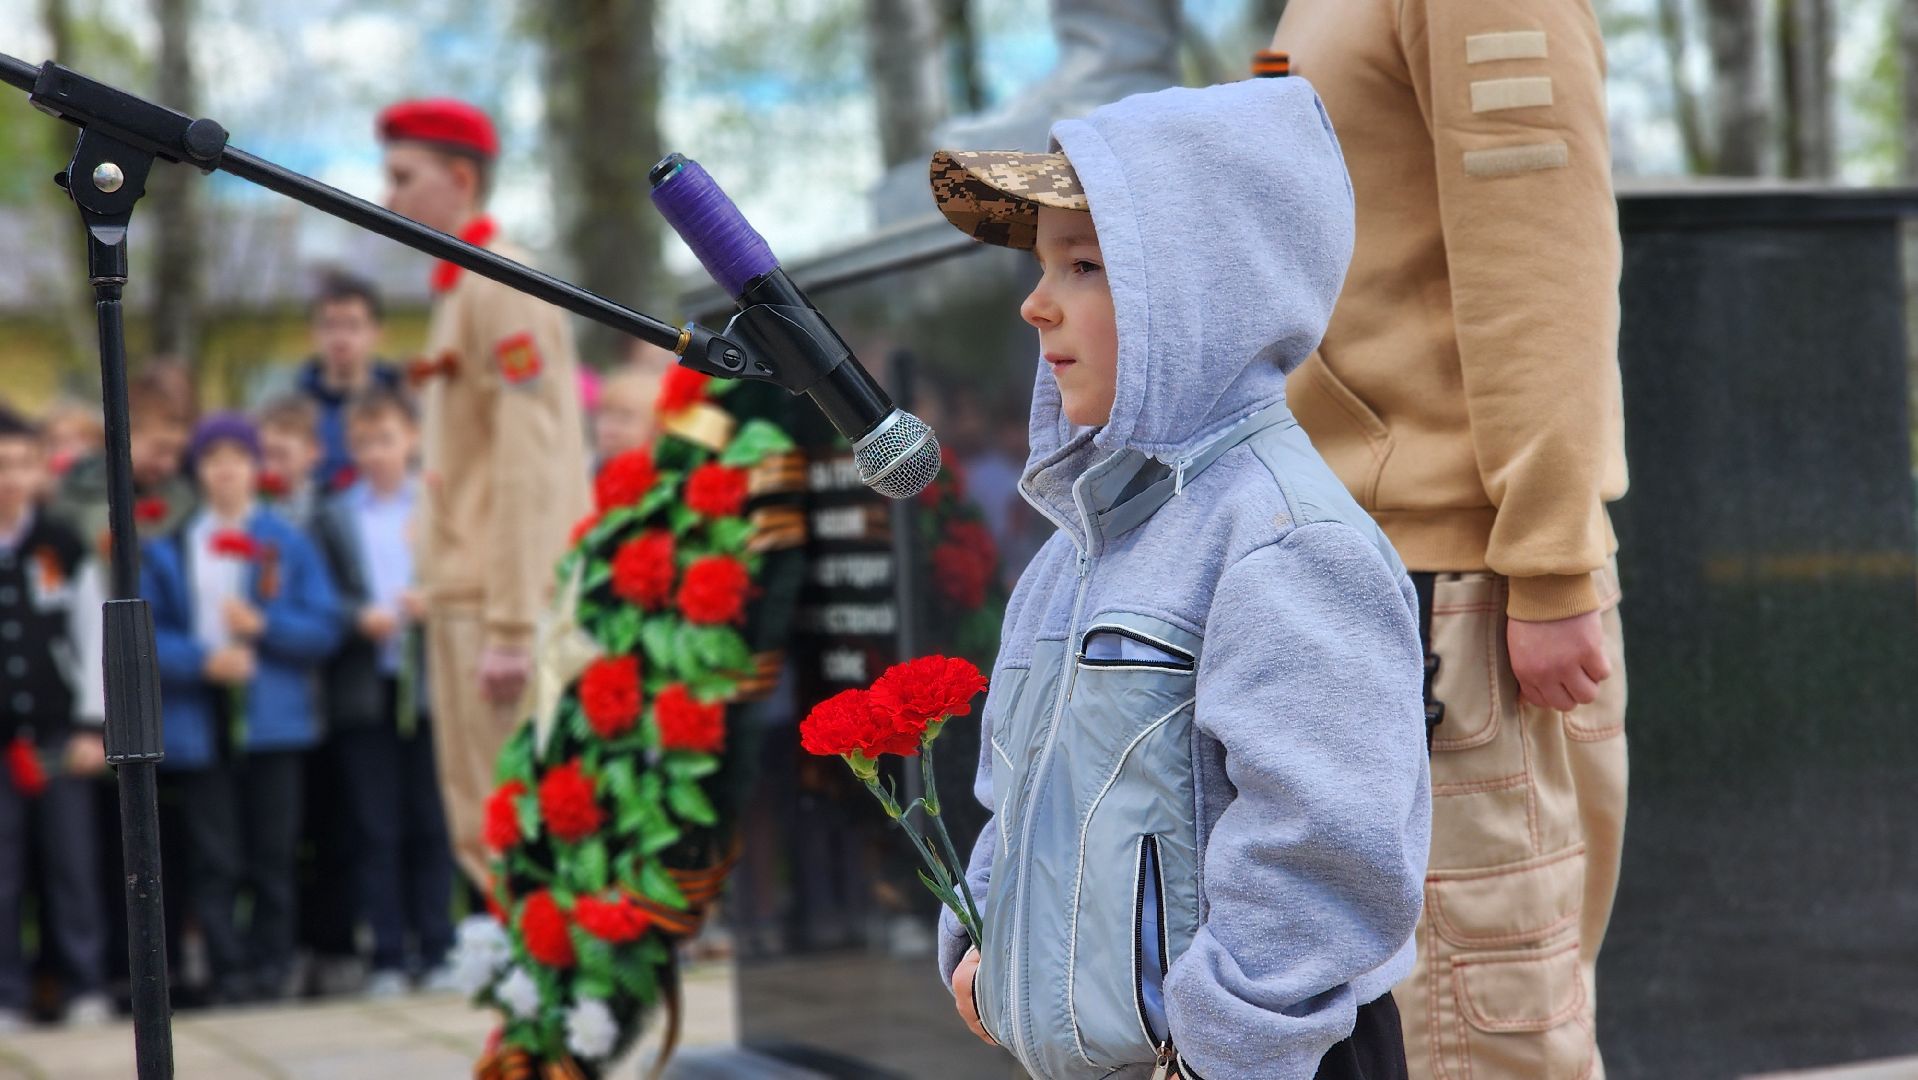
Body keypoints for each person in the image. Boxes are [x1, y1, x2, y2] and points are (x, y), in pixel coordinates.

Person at [927, 78, 1430, 1079]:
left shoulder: (1283, 541)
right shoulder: (1080, 546)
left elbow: (1326, 844)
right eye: (1041, 267)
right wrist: (989, 944)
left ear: (1207, 289)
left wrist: (1223, 1045)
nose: (1035, 304)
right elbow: (1017, 787)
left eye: (1084, 265)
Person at [1270, 4, 1629, 1076]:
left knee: (1476, 1037)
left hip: (1453, 586)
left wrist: (1552, 565)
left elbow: (1538, 263)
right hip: (1353, 566)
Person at [377, 98, 591, 886]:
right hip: (468, 587)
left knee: (518, 821)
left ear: (460, 177)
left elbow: (527, 460)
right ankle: (544, 996)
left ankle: (564, 1003)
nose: (389, 197)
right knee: (488, 820)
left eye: (404, 177)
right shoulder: (463, 283)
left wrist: (509, 620)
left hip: (498, 595)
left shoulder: (501, 281)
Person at [145, 413, 341, 1004]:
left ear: (258, 469)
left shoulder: (287, 542)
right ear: (198, 471)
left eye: (238, 459)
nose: (226, 472)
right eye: (213, 461)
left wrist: (265, 626)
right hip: (200, 725)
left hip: (273, 723)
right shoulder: (174, 546)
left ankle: (273, 964)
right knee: (215, 855)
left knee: (274, 852)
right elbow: (148, 634)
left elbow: (324, 626)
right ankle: (228, 970)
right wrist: (203, 661)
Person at [311, 389, 455, 996]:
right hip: (367, 689)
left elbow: (463, 570)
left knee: (432, 818)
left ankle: (439, 944)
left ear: (412, 440)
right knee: (375, 827)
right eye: (364, 443)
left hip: (430, 685)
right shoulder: (336, 515)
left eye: (386, 440)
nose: (376, 454)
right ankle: (389, 954)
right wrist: (356, 616)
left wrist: (435, 600)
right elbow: (320, 593)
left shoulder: (438, 503)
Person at [0, 406, 110, 1032]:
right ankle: (8, 995)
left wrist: (92, 727)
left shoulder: (61, 543)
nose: (9, 479)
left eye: (20, 465)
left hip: (57, 739)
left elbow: (89, 631)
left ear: (40, 470)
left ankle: (84, 985)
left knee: (73, 866)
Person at [296, 274, 404, 495]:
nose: (340, 338)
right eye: (330, 325)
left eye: (353, 325)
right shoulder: (296, 415)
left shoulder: (403, 409)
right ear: (312, 333)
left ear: (377, 333)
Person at [591, 365, 662, 466]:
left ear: (656, 429)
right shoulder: (589, 470)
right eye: (605, 415)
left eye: (625, 418)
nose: (609, 429)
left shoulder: (670, 478)